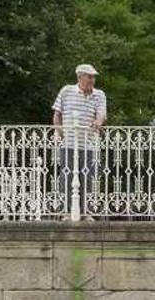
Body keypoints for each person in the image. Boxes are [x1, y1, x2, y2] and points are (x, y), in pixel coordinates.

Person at [51, 64, 107, 221]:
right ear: (80, 77)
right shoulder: (66, 91)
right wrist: (60, 132)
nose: (92, 80)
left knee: (88, 177)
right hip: (69, 143)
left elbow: (101, 115)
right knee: (67, 176)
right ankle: (67, 212)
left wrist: (98, 122)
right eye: (89, 77)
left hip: (89, 143)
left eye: (93, 77)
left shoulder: (99, 94)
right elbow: (57, 115)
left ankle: (85, 212)